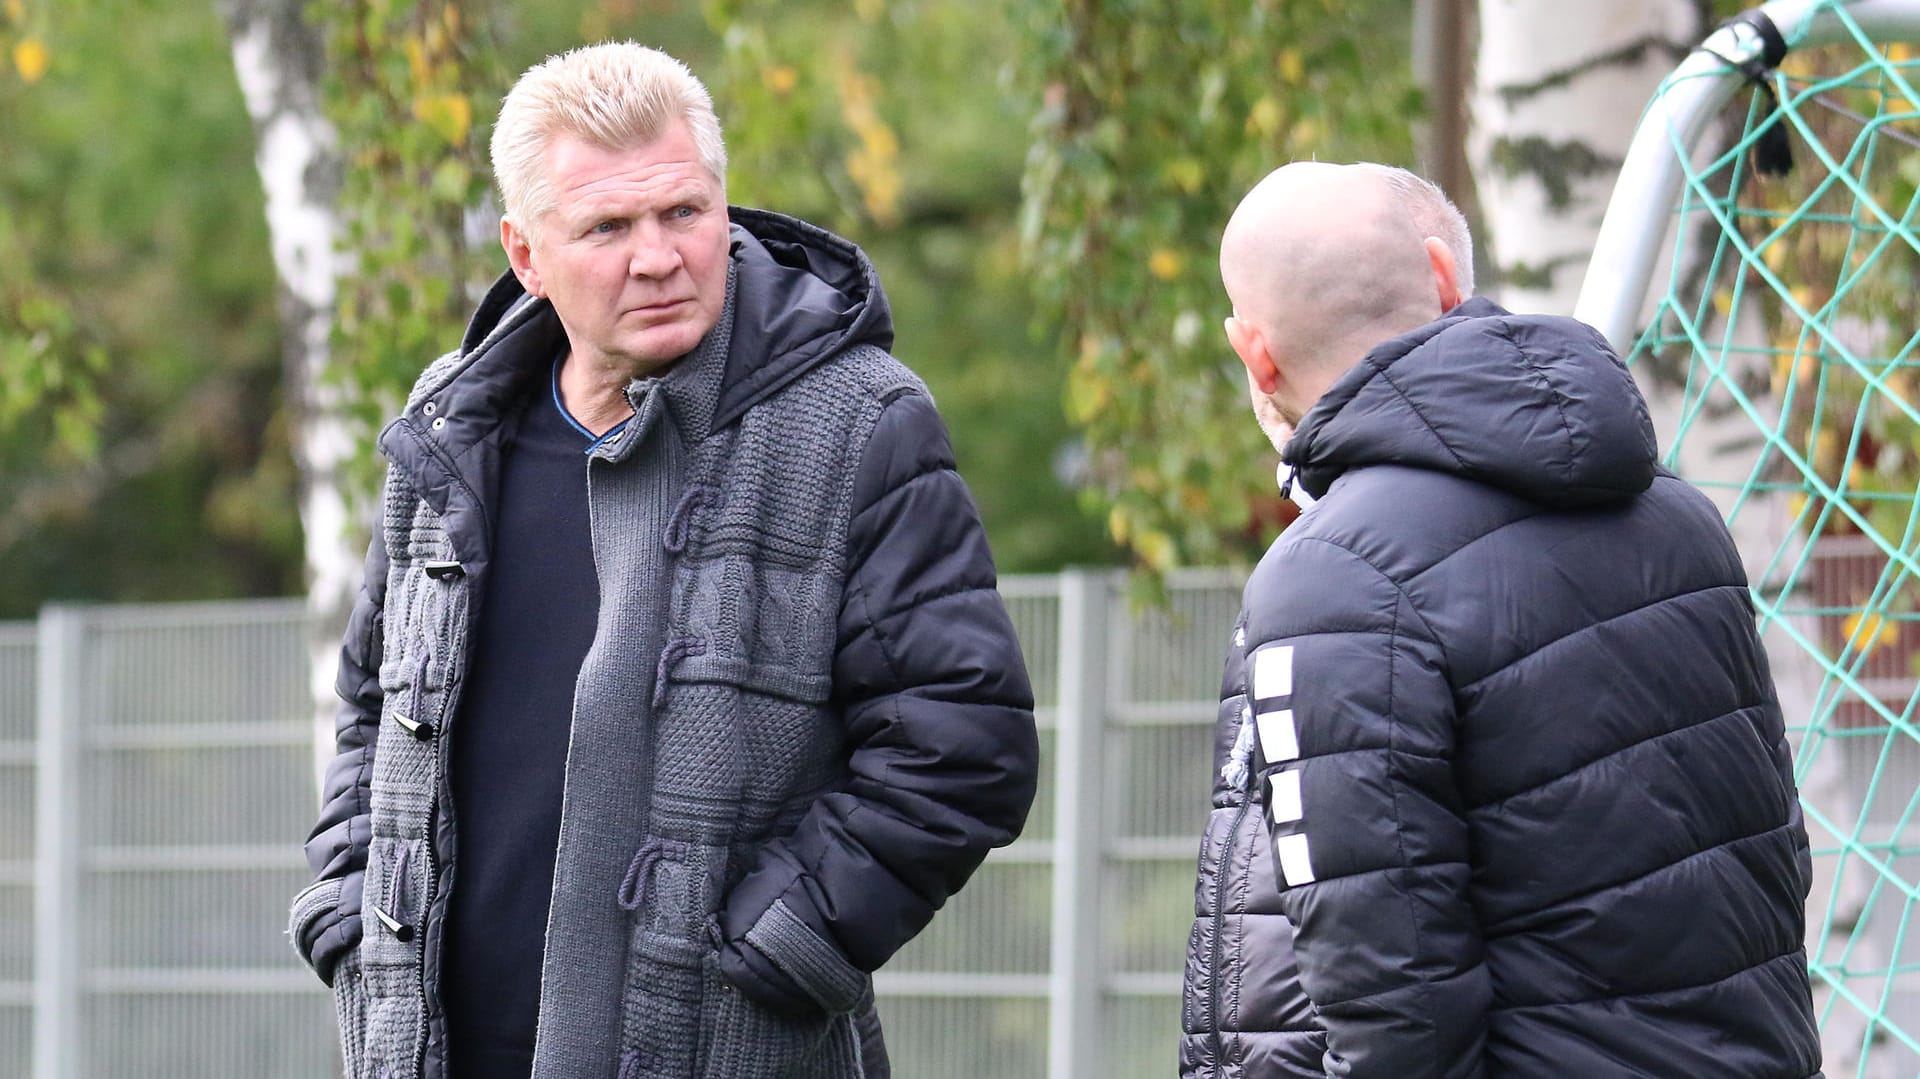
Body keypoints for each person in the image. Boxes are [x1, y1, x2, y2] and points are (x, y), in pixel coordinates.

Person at [286, 41, 1039, 1079]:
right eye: (607, 226)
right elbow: (376, 701)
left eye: (684, 212)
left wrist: (775, 947)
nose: (659, 255)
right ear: (526, 253)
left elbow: (962, 742)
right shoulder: (451, 420)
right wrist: (349, 907)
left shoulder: (859, 420)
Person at [1188, 161, 1822, 1078]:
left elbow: (1387, 991)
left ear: (1255, 352)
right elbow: (1776, 852)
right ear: (1446, 278)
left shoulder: (1326, 578)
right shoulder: (1681, 518)